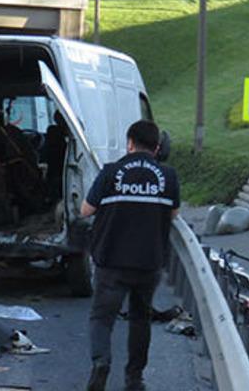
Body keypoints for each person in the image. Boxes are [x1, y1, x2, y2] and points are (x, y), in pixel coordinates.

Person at [80, 120, 179, 391]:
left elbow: (85, 211)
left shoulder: (111, 172)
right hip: (149, 262)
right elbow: (172, 214)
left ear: (130, 143)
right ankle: (134, 379)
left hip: (111, 260)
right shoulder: (168, 176)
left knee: (102, 318)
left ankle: (101, 362)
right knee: (140, 318)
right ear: (157, 148)